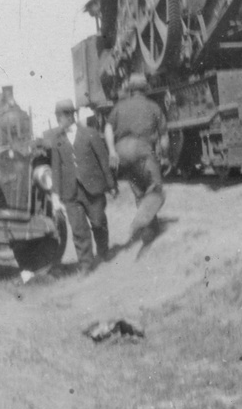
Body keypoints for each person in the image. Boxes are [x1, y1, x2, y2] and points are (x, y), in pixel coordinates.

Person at [51, 99, 117, 274]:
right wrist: (55, 196)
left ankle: (103, 252)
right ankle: (86, 265)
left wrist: (111, 185)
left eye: (60, 117)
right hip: (70, 193)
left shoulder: (90, 134)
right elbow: (56, 169)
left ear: (70, 116)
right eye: (57, 117)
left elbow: (103, 160)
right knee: (79, 230)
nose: (58, 120)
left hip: (93, 188)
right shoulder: (57, 140)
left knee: (98, 222)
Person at [104, 73, 169, 246]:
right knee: (156, 188)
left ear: (131, 90)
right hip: (141, 150)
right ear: (146, 89)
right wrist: (165, 156)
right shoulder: (153, 106)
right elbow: (164, 137)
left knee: (140, 190)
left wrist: (111, 151)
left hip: (121, 152)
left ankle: (150, 229)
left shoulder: (119, 106)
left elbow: (108, 127)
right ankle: (140, 224)